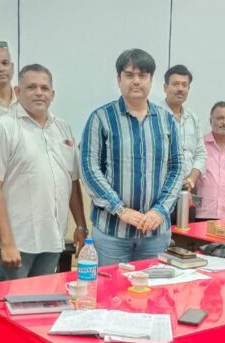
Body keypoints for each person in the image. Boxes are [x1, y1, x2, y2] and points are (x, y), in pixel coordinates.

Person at [0, 64, 86, 280]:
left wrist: (81, 226)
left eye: (44, 88)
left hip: (53, 239)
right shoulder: (4, 127)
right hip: (18, 242)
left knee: (41, 298)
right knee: (12, 299)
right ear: (18, 91)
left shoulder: (63, 128)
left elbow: (72, 181)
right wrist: (6, 242)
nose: (39, 93)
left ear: (52, 94)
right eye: (31, 87)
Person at [80, 48, 182, 267]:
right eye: (129, 75)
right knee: (111, 287)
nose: (136, 81)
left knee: (152, 287)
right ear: (119, 79)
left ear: (151, 80)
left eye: (142, 75)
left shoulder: (166, 120)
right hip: (111, 233)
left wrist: (160, 210)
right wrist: (120, 209)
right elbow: (89, 168)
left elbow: (177, 167)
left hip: (156, 233)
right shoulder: (101, 118)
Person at [160, 65, 206, 222]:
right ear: (165, 87)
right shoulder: (154, 115)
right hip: (162, 190)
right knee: (162, 233)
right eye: (175, 84)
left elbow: (200, 153)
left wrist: (192, 179)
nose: (180, 89)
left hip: (188, 189)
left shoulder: (193, 119)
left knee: (186, 232)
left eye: (184, 85)